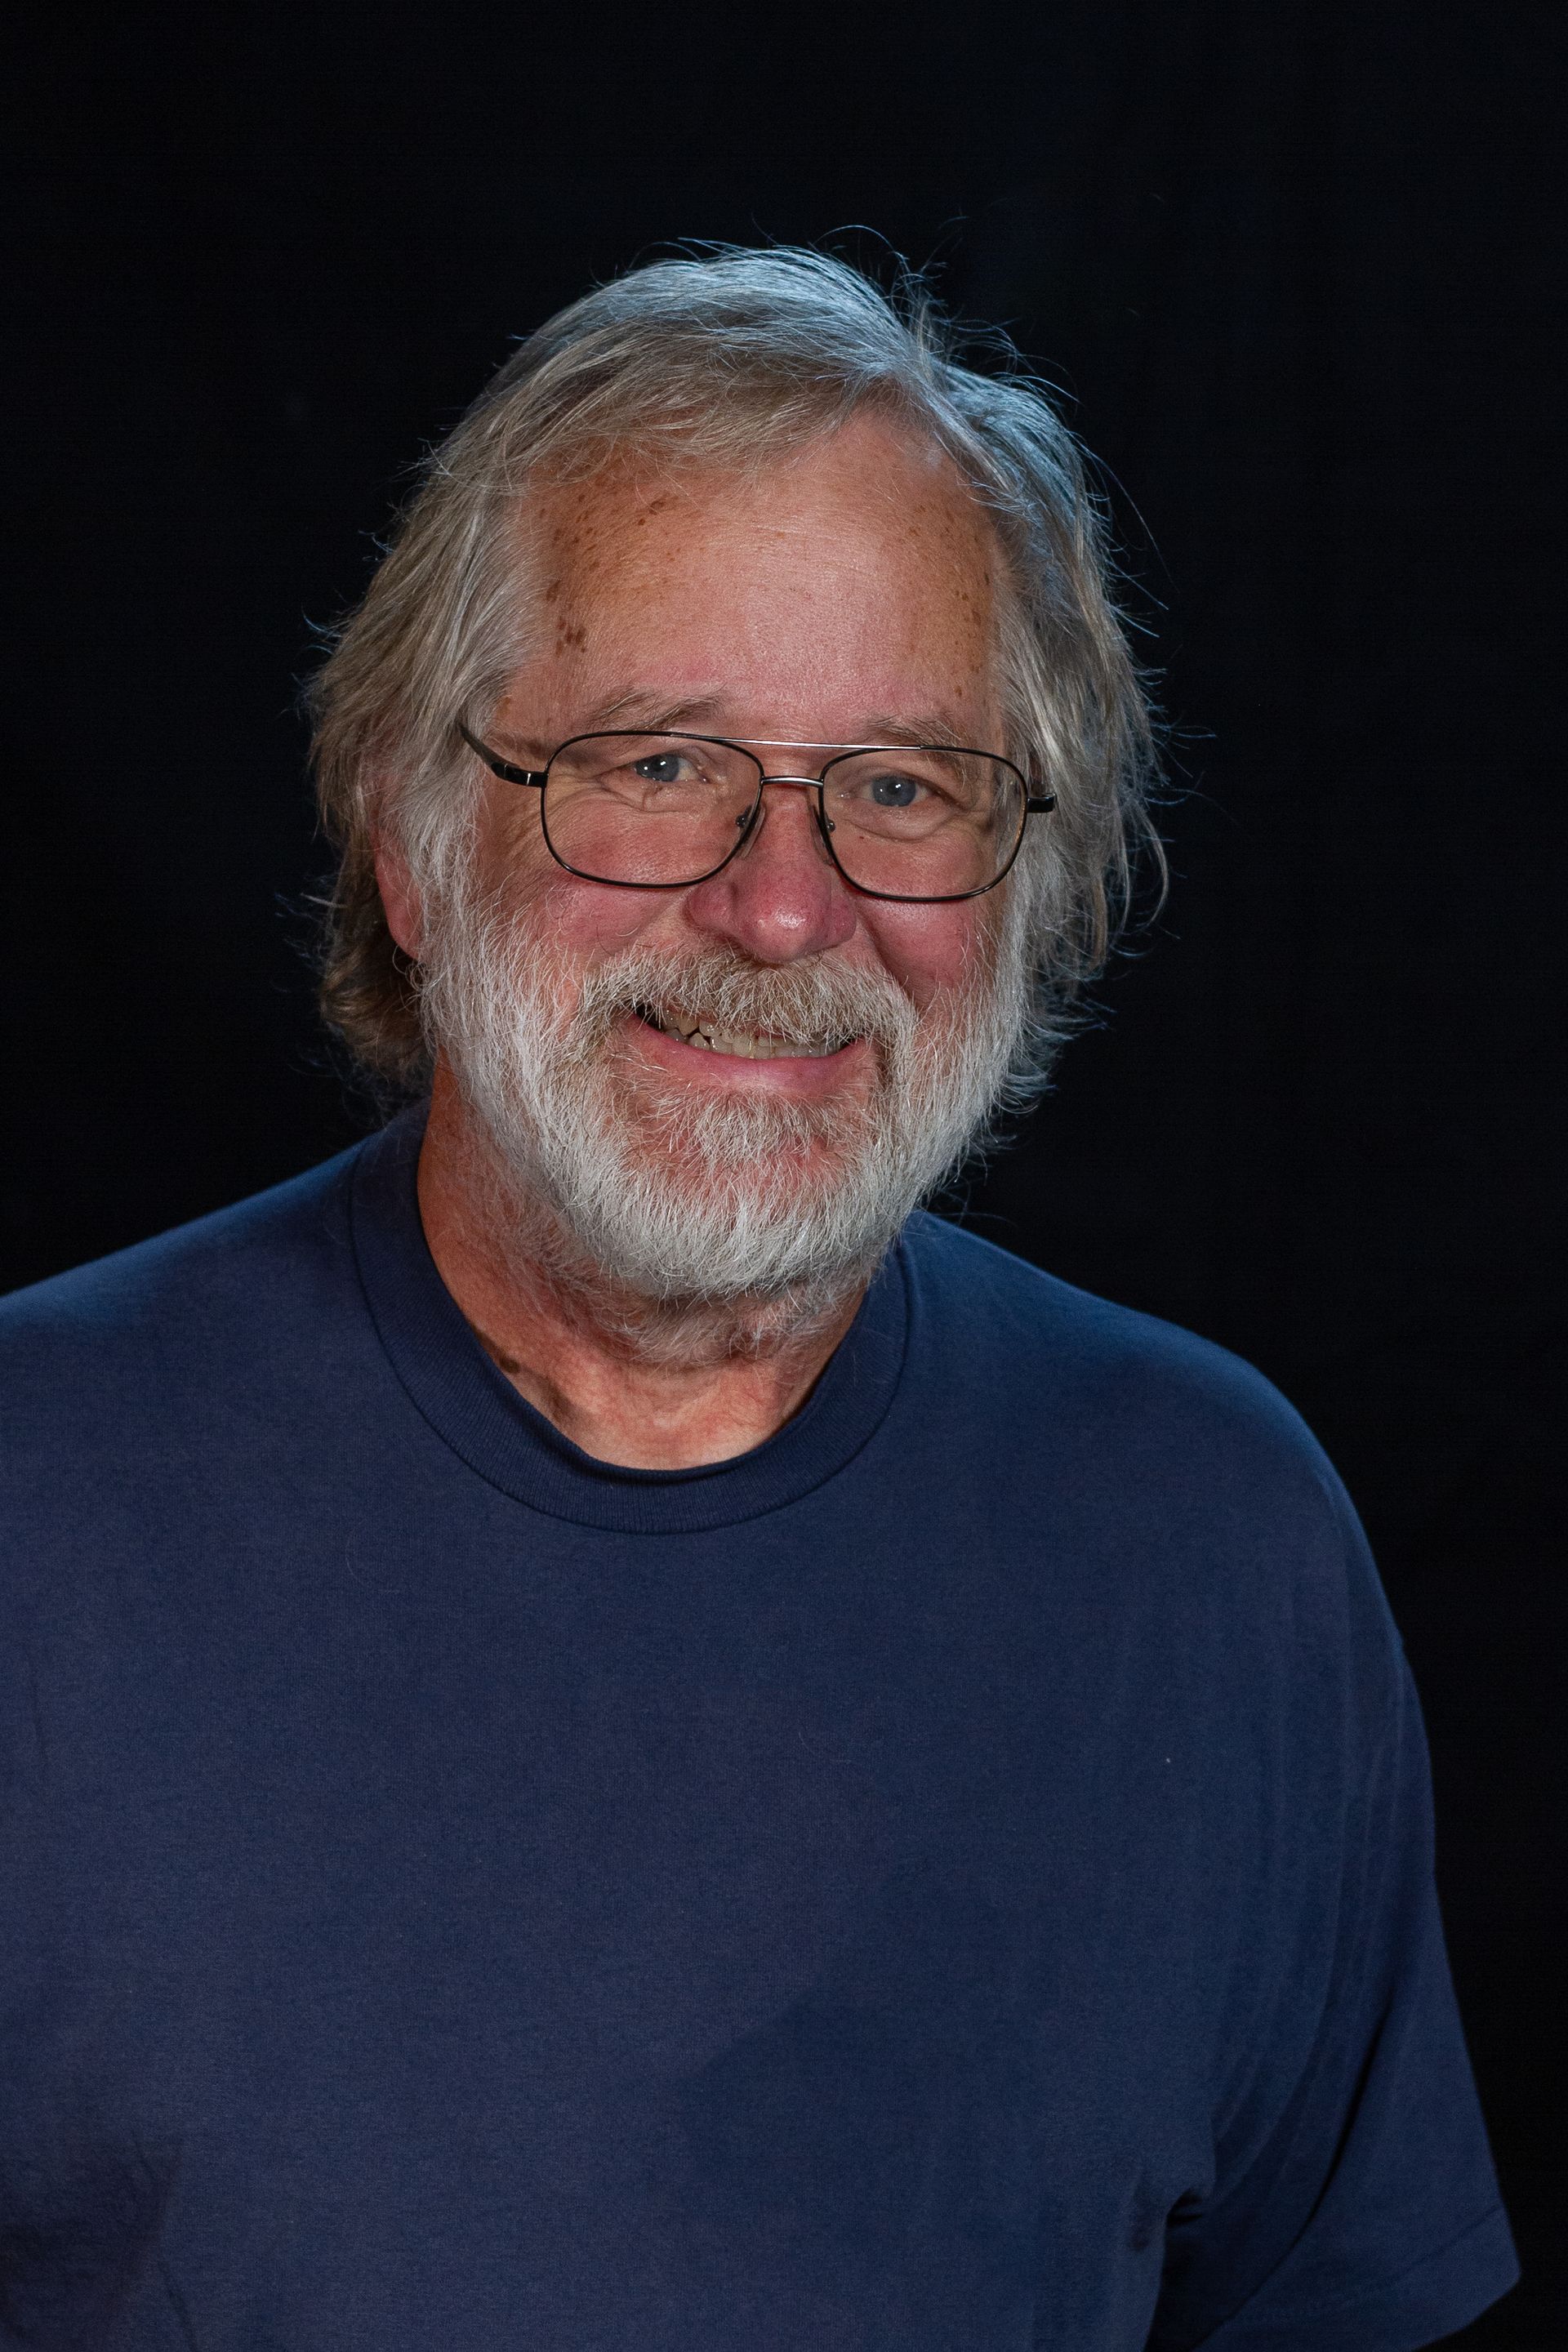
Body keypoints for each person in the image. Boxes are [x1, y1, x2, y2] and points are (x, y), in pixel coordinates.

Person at [0, 249, 1517, 2351]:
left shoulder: (1216, 1541)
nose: (785, 902)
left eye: (903, 789)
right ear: (417, 845)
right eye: (655, 763)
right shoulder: (32, 1507)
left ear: (1032, 883)